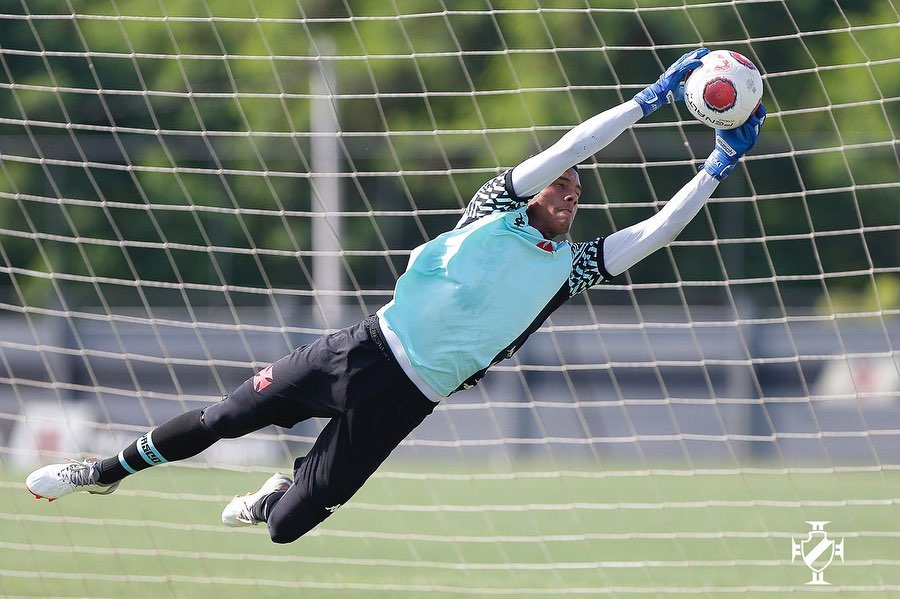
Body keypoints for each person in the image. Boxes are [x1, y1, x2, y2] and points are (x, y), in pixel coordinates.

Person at [25, 48, 766, 544]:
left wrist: (718, 165)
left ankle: (277, 492)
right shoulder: (494, 207)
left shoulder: (571, 268)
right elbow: (573, 145)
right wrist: (649, 100)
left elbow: (657, 233)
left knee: (283, 528)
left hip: (406, 399)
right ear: (537, 188)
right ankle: (102, 472)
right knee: (224, 416)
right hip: (358, 350)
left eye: (578, 191)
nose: (572, 191)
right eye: (563, 184)